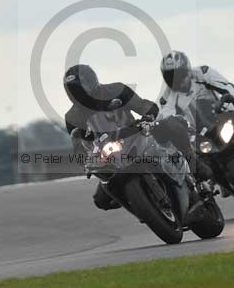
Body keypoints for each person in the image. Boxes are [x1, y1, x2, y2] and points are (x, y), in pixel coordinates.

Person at [63, 64, 214, 211]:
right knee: (101, 200)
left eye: (81, 89)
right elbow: (78, 146)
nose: (79, 94)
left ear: (92, 82)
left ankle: (194, 164)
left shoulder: (116, 89)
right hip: (111, 155)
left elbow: (140, 104)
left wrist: (148, 114)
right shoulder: (72, 117)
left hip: (137, 132)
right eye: (75, 91)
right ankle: (141, 204)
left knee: (172, 125)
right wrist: (87, 160)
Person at [158, 50, 234, 175]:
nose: (177, 80)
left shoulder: (202, 73)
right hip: (200, 132)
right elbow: (165, 116)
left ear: (187, 69)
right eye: (171, 77)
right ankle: (216, 178)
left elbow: (226, 86)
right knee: (200, 163)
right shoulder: (167, 97)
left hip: (223, 115)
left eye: (180, 74)